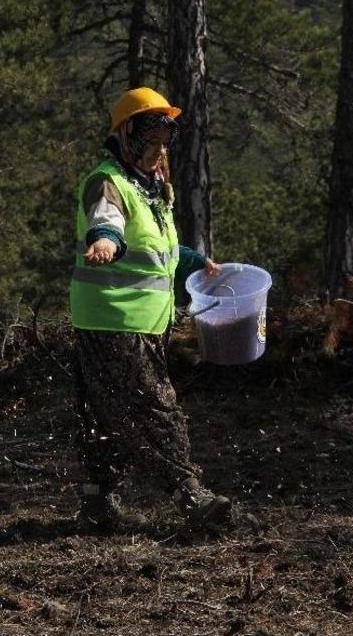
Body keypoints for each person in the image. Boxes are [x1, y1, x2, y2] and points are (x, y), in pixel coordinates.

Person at [69, 86, 232, 532]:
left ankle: (97, 504)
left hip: (141, 322)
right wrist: (104, 242)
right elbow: (109, 223)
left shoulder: (152, 187)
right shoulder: (108, 182)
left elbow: (157, 248)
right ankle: (191, 495)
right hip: (114, 319)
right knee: (154, 407)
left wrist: (194, 263)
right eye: (152, 142)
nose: (159, 151)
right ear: (127, 137)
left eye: (164, 143)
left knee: (105, 413)